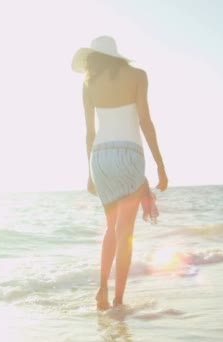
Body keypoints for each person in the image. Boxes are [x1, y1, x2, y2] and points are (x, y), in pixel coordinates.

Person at [71, 36, 168, 310]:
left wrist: (90, 173)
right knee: (124, 231)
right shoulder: (138, 76)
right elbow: (145, 121)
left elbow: (89, 133)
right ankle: (119, 300)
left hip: (100, 157)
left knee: (110, 229)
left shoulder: (88, 84)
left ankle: (101, 291)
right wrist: (160, 164)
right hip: (129, 155)